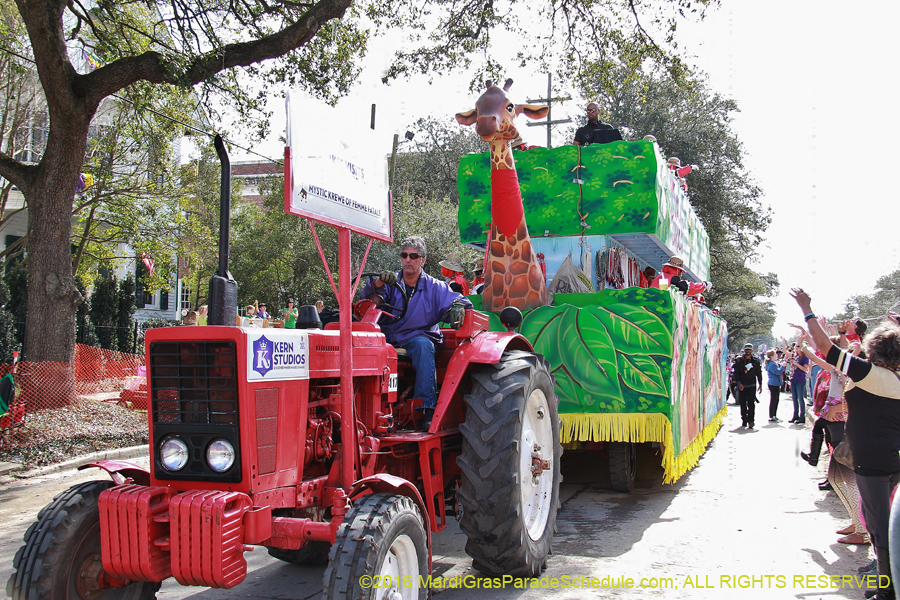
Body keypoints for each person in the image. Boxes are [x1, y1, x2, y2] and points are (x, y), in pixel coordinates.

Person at [791, 288, 900, 599]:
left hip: (873, 462)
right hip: (893, 457)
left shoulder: (868, 374)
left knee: (881, 527)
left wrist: (806, 309)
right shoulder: (893, 378)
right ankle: (885, 576)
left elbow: (825, 347)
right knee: (888, 523)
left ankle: (886, 588)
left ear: (875, 349)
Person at [361, 236, 472, 430]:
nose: (408, 260)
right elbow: (368, 297)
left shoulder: (435, 287)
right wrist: (379, 282)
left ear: (423, 260)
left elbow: (461, 300)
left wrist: (457, 306)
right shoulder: (390, 282)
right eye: (404, 255)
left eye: (413, 256)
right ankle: (366, 408)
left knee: (422, 346)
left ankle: (425, 408)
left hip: (418, 337)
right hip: (390, 336)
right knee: (364, 346)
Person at [732, 343, 762, 428]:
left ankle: (751, 420)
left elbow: (759, 373)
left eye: (749, 350)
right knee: (743, 403)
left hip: (752, 385)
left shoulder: (756, 361)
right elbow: (736, 373)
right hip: (742, 385)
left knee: (751, 403)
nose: (748, 351)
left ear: (752, 351)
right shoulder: (739, 361)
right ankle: (744, 419)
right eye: (746, 350)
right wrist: (738, 383)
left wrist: (760, 384)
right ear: (744, 350)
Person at [788, 345, 810, 423]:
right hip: (793, 378)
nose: (797, 348)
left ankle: (802, 416)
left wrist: (796, 364)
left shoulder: (805, 358)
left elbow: (805, 369)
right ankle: (795, 415)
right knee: (794, 398)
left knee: (800, 398)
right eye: (796, 347)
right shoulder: (795, 357)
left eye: (799, 347)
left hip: (800, 379)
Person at [764, 349, 786, 422]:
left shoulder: (773, 363)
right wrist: (782, 367)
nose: (777, 356)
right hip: (773, 383)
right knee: (774, 400)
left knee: (776, 399)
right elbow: (778, 372)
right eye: (775, 355)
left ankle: (774, 415)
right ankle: (772, 415)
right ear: (772, 356)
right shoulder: (772, 364)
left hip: (775, 383)